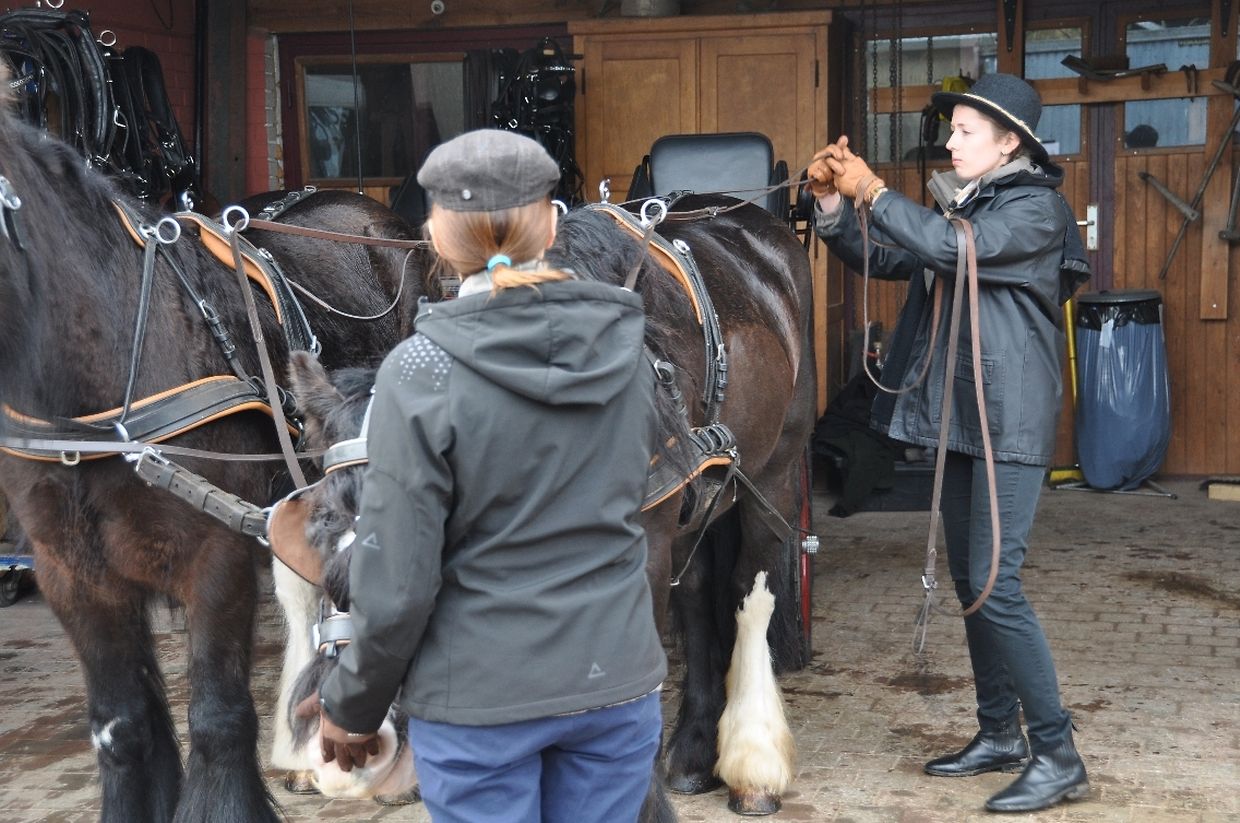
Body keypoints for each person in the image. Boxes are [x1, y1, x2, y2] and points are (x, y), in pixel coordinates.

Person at [298, 129, 667, 823]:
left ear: (437, 236)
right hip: (615, 687)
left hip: (480, 705)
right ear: (552, 226)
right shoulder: (629, 352)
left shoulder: (421, 369)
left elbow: (399, 581)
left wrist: (352, 704)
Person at [807, 73, 1091, 813]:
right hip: (965, 416)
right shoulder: (974, 202)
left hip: (1008, 421)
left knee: (998, 586)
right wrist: (834, 204)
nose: (952, 142)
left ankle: (1058, 753)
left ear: (1010, 142)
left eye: (966, 131)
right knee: (973, 584)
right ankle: (1000, 733)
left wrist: (874, 191)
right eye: (953, 129)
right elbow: (897, 256)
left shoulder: (1035, 209)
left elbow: (943, 244)